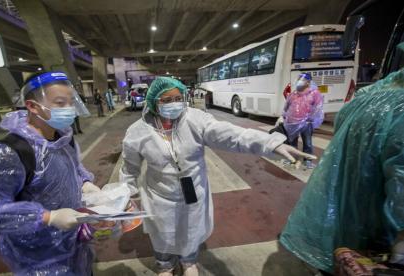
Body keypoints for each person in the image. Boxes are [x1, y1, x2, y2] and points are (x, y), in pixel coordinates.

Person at [119, 77, 316, 276]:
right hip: (159, 197)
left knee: (191, 229)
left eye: (178, 98)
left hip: (193, 192)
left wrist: (272, 143)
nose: (174, 104)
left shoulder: (195, 120)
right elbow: (129, 169)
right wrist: (124, 197)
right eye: (166, 100)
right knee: (163, 233)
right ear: (154, 102)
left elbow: (233, 135)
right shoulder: (138, 132)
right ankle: (165, 265)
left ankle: (188, 262)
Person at [0, 71, 104, 275]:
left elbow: (72, 171)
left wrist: (85, 184)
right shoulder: (8, 152)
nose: (69, 110)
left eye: (71, 102)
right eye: (60, 103)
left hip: (75, 246)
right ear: (32, 106)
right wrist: (48, 217)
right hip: (39, 258)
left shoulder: (62, 140)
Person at [279, 67, 404, 274]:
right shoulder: (396, 107)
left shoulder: (366, 97)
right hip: (378, 235)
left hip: (347, 226)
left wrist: (312, 121)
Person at [276, 73, 323, 169]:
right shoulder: (293, 94)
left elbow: (318, 108)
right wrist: (282, 116)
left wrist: (311, 119)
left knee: (308, 143)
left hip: (306, 123)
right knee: (292, 142)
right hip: (292, 123)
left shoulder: (314, 93)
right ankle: (293, 159)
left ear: (308, 82)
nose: (299, 81)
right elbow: (286, 107)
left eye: (302, 79)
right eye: (298, 79)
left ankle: (308, 160)